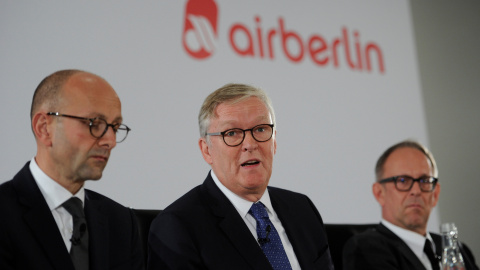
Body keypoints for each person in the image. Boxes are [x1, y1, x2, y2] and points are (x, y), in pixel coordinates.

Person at [147, 83, 334, 270]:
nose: (250, 144)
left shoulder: (302, 209)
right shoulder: (178, 227)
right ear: (207, 150)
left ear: (274, 141)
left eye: (260, 129)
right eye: (232, 133)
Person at [0, 69, 144, 270]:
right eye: (94, 123)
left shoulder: (120, 223)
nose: (110, 141)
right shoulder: (5, 213)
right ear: (44, 128)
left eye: (115, 126)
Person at [342, 140, 479, 270]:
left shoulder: (457, 250)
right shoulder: (367, 249)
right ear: (379, 193)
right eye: (402, 180)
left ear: (435, 194)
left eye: (425, 180)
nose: (416, 191)